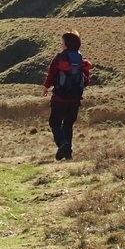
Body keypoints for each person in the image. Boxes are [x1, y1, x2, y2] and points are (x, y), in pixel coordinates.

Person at [42, 31, 93, 161]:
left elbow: (51, 74)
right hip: (75, 100)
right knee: (68, 125)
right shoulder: (81, 60)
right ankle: (68, 154)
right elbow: (86, 80)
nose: (61, 44)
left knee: (54, 123)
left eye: (62, 42)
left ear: (66, 44)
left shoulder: (60, 58)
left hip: (60, 98)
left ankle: (62, 144)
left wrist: (46, 87)